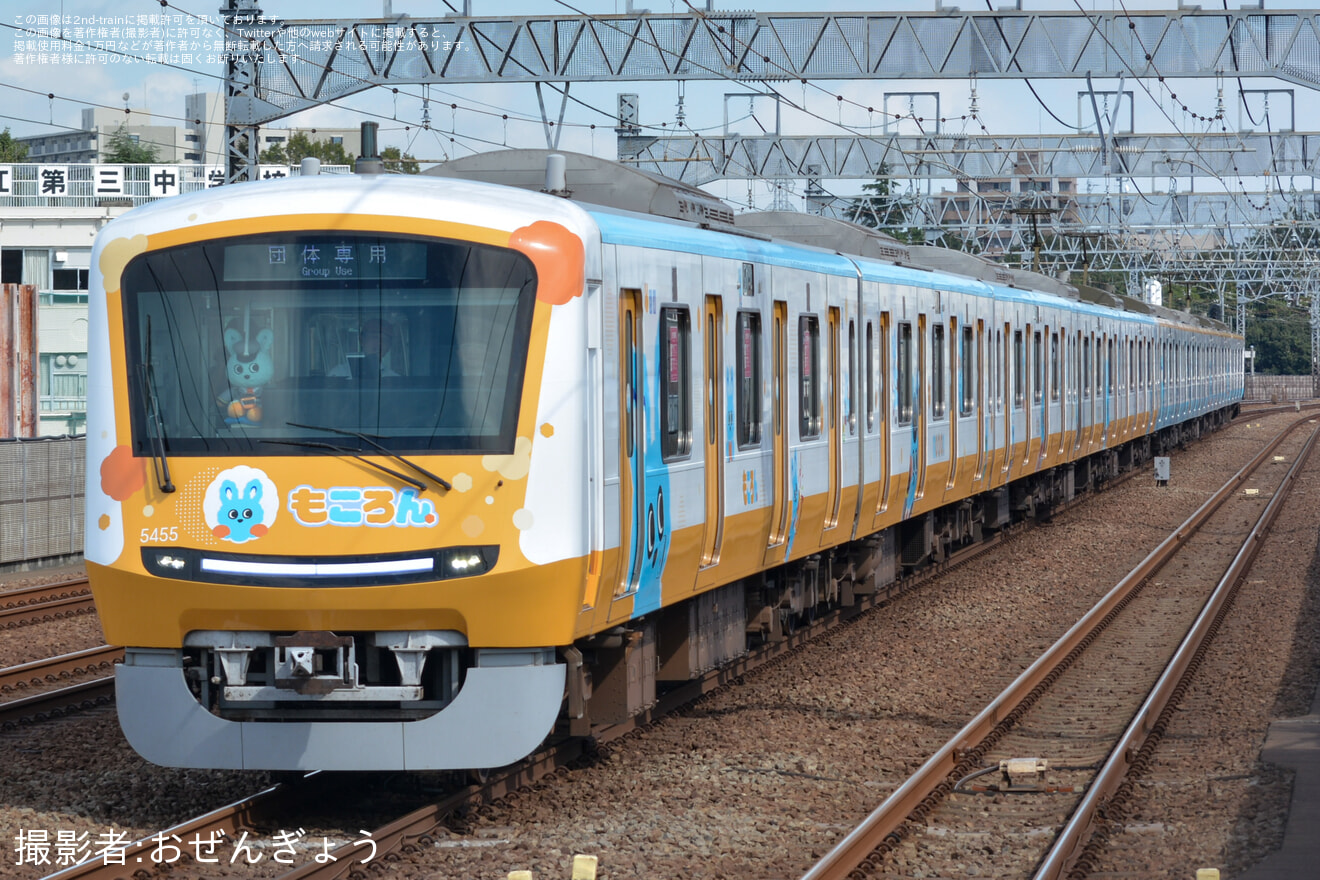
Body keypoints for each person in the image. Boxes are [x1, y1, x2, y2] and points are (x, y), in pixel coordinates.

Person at [329, 318, 401, 378]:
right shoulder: (337, 374)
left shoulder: (393, 379)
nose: (378, 343)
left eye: (384, 340)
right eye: (374, 337)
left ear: (389, 347)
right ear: (361, 340)